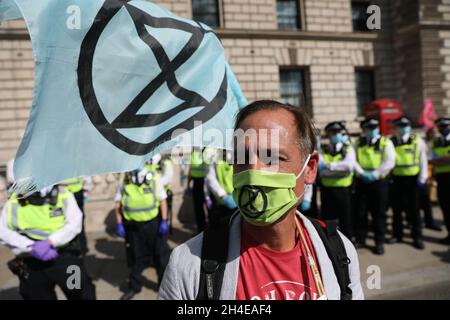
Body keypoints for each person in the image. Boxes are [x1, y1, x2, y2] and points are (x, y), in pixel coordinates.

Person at [158, 100, 363, 300]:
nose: (253, 172)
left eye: (271, 158)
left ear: (309, 169)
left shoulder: (339, 251)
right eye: (241, 158)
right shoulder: (188, 264)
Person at [0, 185, 96, 300]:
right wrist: (30, 246)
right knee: (36, 295)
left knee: (81, 293)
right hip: (32, 261)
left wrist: (51, 241)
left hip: (65, 259)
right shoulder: (17, 198)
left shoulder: (63, 193)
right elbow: (3, 231)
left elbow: (75, 223)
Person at [114, 167, 171, 300]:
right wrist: (118, 223)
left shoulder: (153, 177)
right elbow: (117, 202)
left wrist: (164, 220)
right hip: (133, 227)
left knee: (159, 255)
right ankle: (134, 286)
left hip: (152, 224)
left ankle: (164, 285)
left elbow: (163, 200)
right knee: (135, 257)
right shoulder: (125, 178)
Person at [354, 118, 395, 255]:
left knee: (379, 213)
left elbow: (389, 162)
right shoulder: (358, 142)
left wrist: (375, 174)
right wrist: (361, 173)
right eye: (369, 128)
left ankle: (379, 242)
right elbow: (353, 160)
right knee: (361, 212)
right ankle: (361, 239)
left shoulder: (385, 142)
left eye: (374, 127)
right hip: (362, 181)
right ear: (364, 129)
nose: (372, 130)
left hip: (379, 182)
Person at [389, 117, 426, 249]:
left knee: (414, 210)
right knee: (396, 209)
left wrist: (422, 178)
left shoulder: (417, 141)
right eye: (400, 125)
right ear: (396, 127)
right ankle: (397, 235)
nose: (403, 128)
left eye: (405, 125)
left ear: (409, 126)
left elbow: (423, 160)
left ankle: (417, 237)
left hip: (413, 179)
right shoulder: (391, 141)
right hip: (397, 180)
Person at [317, 121, 355, 239]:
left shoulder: (348, 148)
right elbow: (319, 167)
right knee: (328, 221)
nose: (335, 134)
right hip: (327, 190)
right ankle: (331, 244)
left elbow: (348, 165)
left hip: (343, 190)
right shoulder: (323, 149)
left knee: (346, 220)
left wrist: (330, 166)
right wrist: (339, 167)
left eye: (337, 132)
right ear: (328, 134)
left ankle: (348, 244)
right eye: (332, 132)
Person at [429, 117, 450, 244]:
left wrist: (439, 160)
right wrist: (444, 159)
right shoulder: (436, 141)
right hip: (442, 178)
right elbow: (430, 159)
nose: (444, 130)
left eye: (446, 127)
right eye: (441, 127)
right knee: (445, 207)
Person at [204, 149, 237, 226]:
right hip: (223, 201)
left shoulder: (237, 154)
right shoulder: (214, 158)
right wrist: (223, 195)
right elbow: (210, 178)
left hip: (237, 198)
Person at [62, 177, 92, 254]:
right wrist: (86, 191)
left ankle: (77, 245)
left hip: (64, 193)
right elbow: (87, 178)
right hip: (77, 192)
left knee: (66, 220)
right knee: (79, 219)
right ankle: (82, 246)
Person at [188, 147, 209, 232]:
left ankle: (210, 228)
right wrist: (188, 185)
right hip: (196, 184)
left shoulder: (207, 152)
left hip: (206, 183)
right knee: (198, 208)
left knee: (209, 208)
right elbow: (190, 170)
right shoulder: (193, 153)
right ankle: (201, 229)